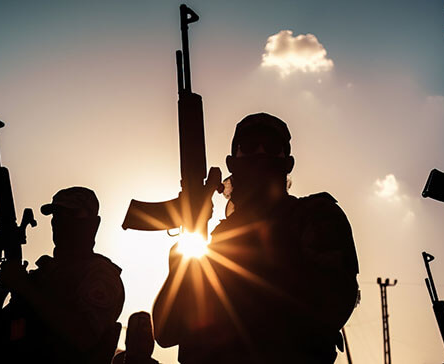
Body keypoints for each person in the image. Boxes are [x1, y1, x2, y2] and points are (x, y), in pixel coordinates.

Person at [153, 113, 360, 363]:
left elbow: (331, 306)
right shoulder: (215, 244)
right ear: (232, 163)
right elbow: (166, 332)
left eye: (273, 147)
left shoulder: (314, 216)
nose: (261, 153)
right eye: (249, 146)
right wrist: (185, 253)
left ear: (288, 163)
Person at [0, 187, 125, 363]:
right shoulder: (42, 275)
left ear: (93, 224)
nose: (62, 223)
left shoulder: (100, 274)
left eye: (73, 215)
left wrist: (24, 286)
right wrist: (0, 292)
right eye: (57, 216)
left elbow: (84, 336)